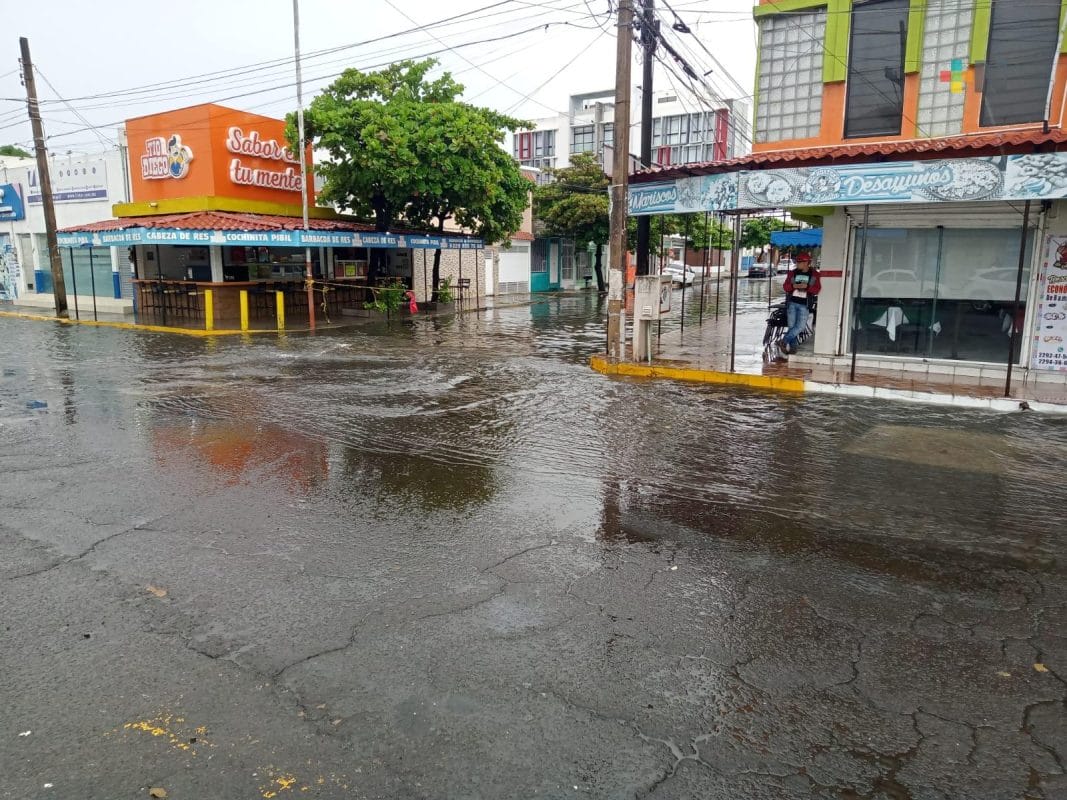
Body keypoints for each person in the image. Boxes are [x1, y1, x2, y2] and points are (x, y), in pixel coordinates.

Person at [779, 252, 821, 357]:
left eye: (800, 262)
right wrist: (793, 285)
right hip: (792, 303)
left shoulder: (814, 274)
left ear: (807, 263)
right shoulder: (792, 273)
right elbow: (785, 287)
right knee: (792, 327)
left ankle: (784, 341)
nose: (797, 264)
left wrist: (807, 287)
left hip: (804, 304)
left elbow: (816, 289)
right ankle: (793, 348)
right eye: (797, 261)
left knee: (800, 327)